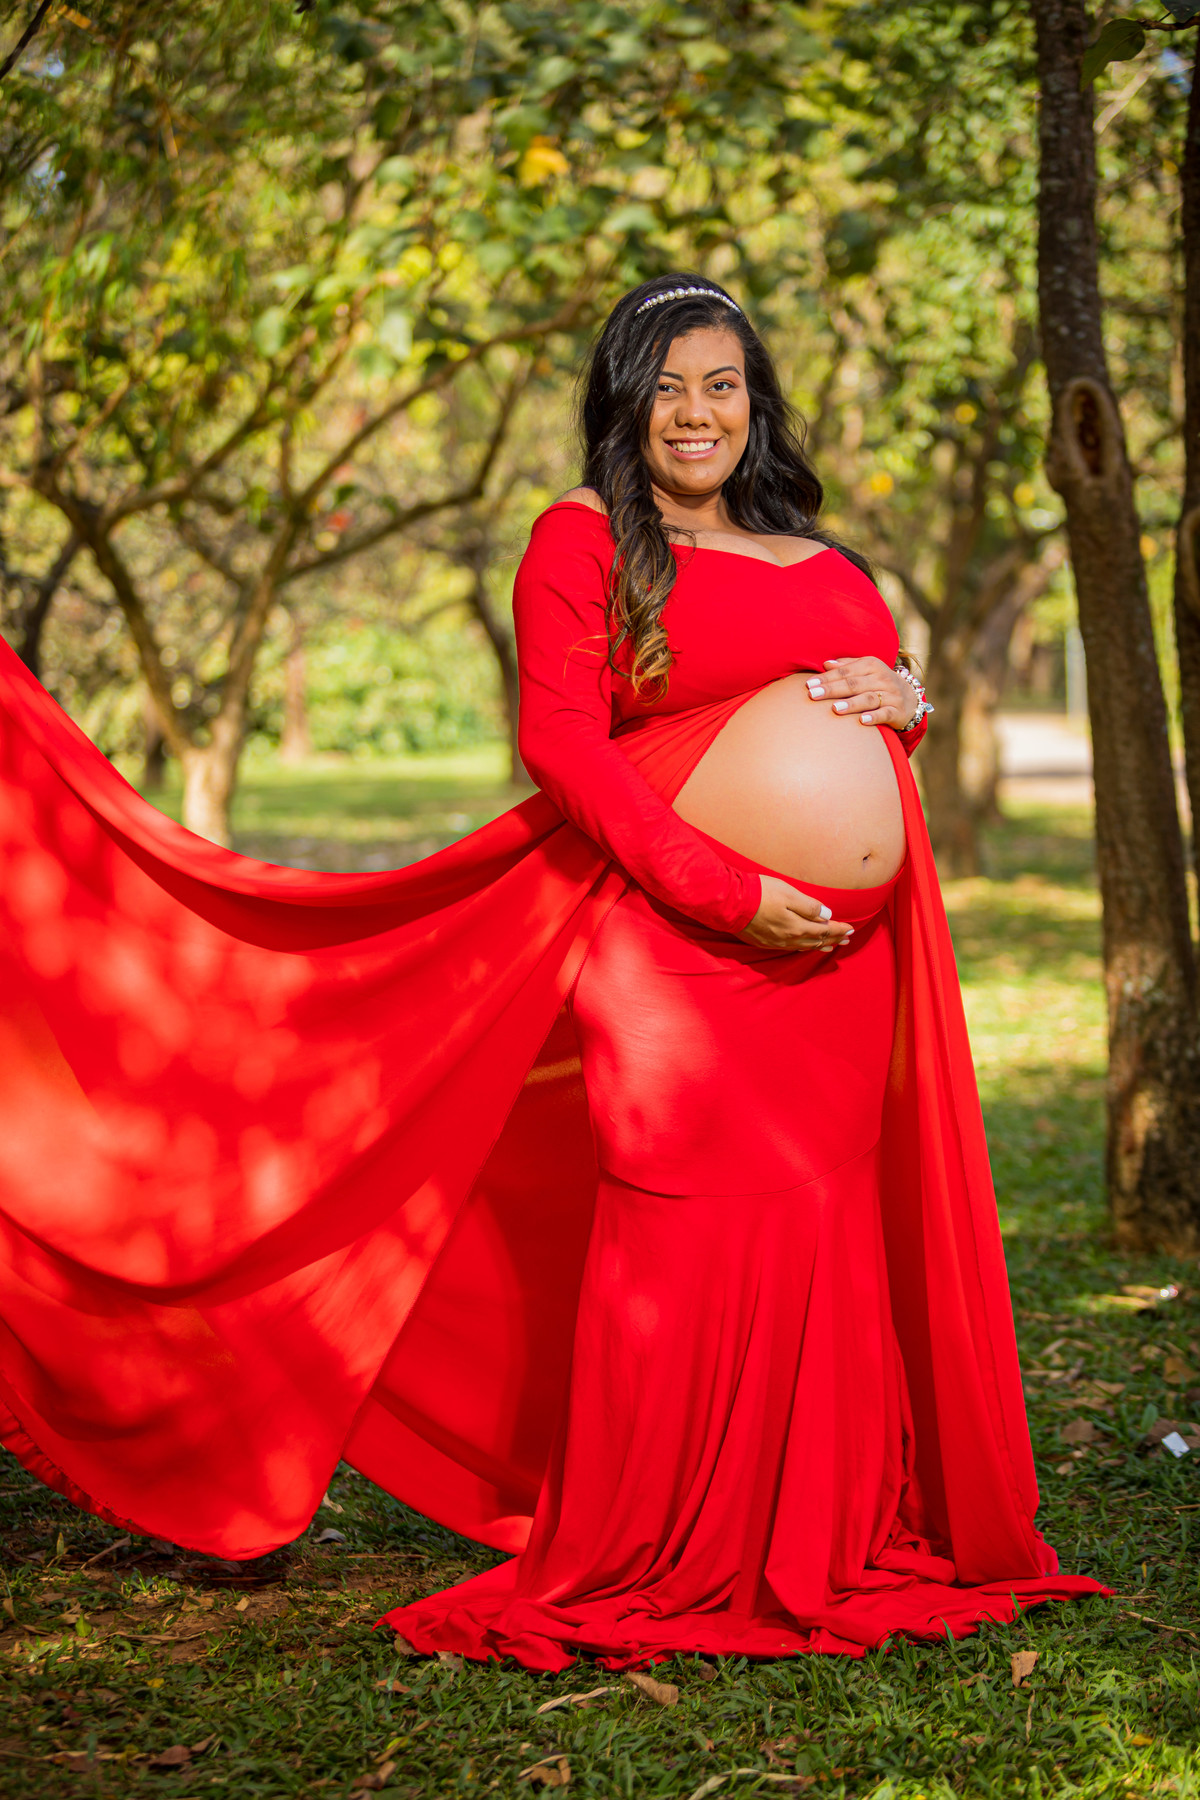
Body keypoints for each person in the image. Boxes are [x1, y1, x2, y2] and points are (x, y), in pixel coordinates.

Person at [0, 275, 1103, 1672]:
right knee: (685, 1222)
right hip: (673, 944)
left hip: (835, 972)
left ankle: (809, 1537)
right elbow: (567, 747)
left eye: (720, 385)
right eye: (666, 386)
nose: (695, 413)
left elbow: (862, 701)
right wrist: (729, 891)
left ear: (754, 401)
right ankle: (656, 1545)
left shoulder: (819, 556)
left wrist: (911, 698)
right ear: (624, 404)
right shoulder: (583, 538)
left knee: (818, 1230)